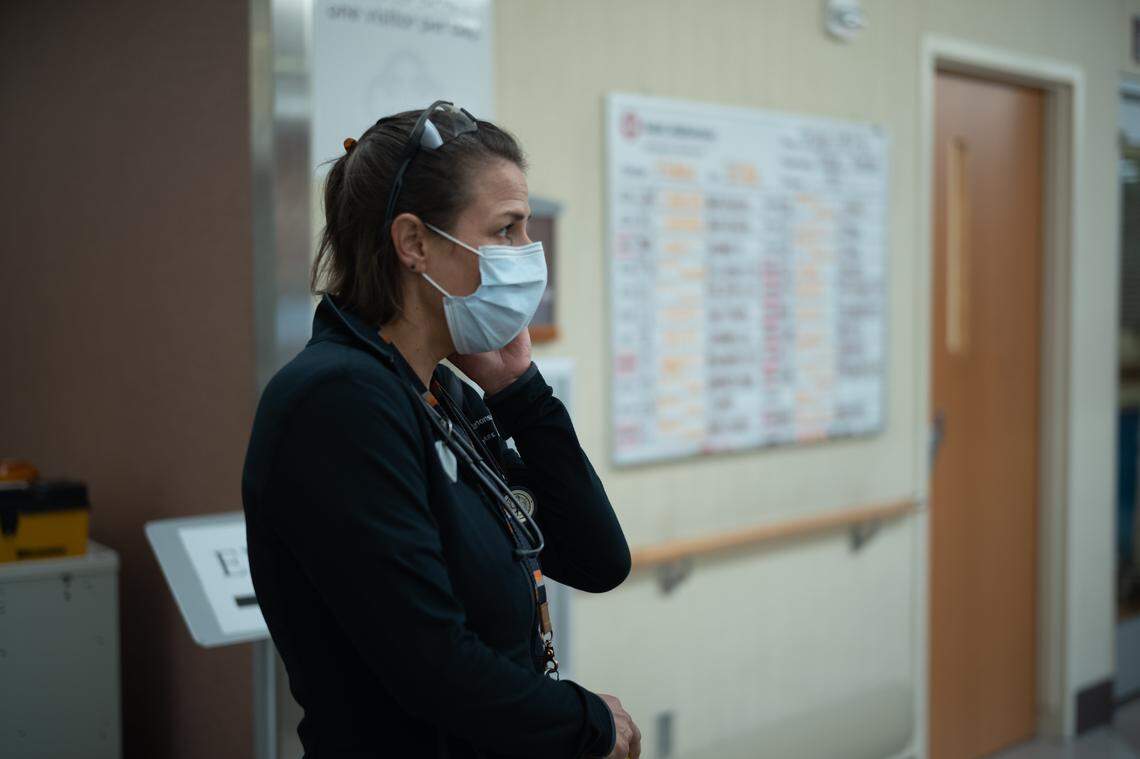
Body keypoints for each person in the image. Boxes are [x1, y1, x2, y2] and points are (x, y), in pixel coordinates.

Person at [241, 101, 642, 759]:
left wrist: (522, 392)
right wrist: (588, 720)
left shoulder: (438, 392)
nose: (526, 254)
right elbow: (430, 664)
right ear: (415, 243)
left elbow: (597, 558)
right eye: (507, 229)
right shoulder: (339, 402)